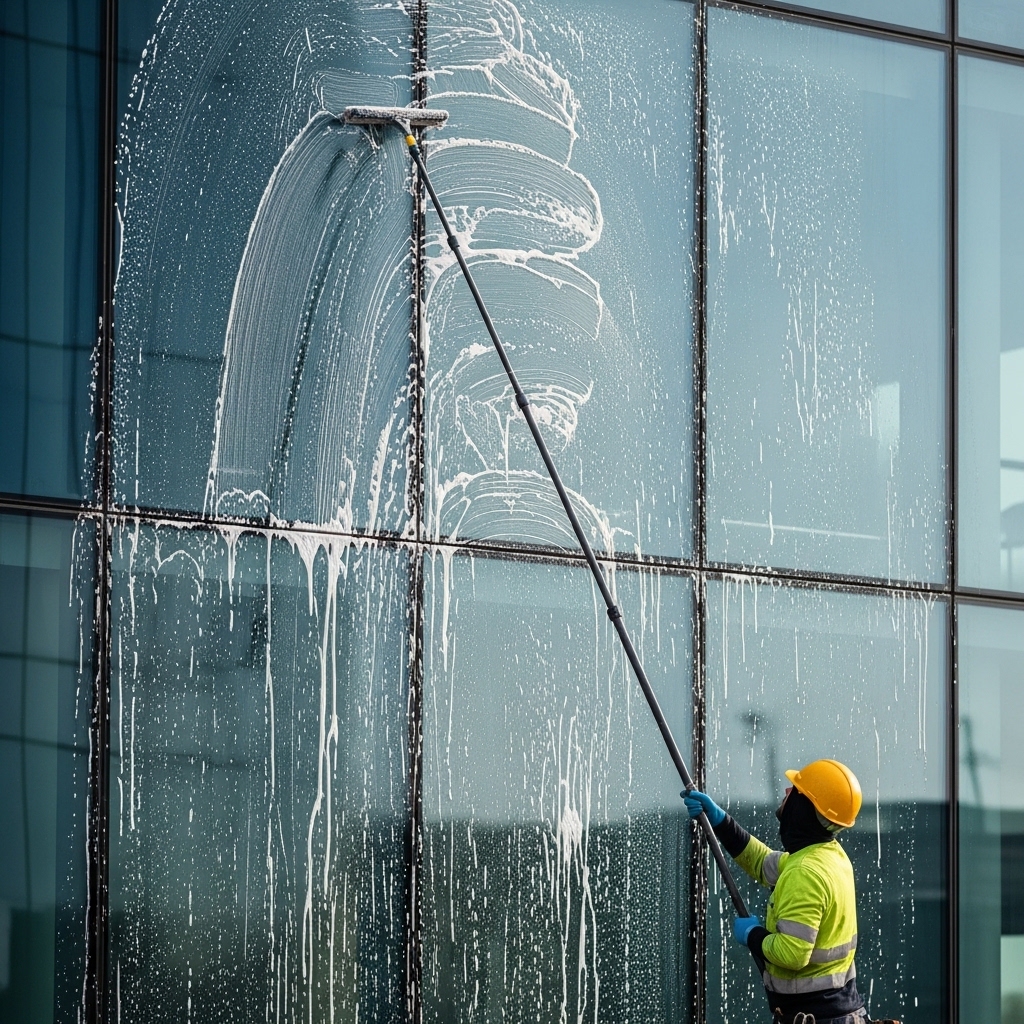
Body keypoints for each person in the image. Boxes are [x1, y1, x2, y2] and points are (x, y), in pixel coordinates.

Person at [685, 759, 871, 1024]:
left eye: (795, 790)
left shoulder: (805, 872)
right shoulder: (828, 856)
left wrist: (752, 935)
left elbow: (793, 954)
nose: (786, 792)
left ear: (805, 807)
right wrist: (720, 821)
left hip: (817, 1018)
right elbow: (762, 863)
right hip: (837, 1014)